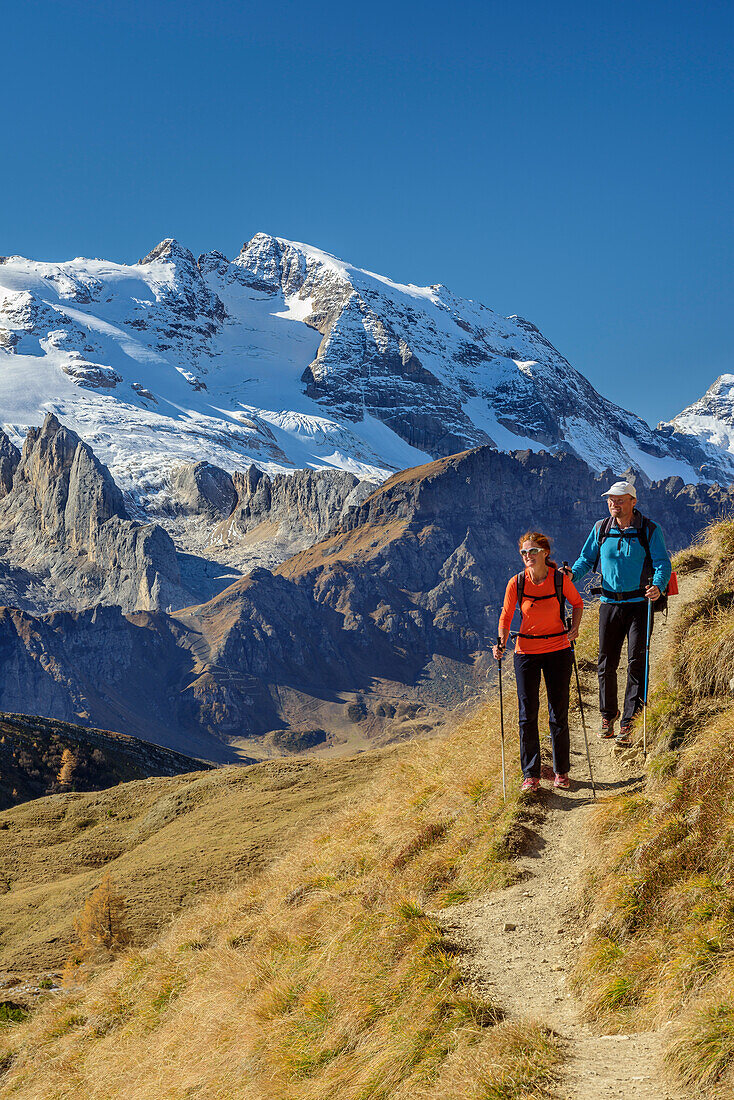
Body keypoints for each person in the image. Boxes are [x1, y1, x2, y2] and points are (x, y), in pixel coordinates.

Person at [568, 480, 671, 746]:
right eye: (611, 500)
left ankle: (630, 720)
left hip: (639, 604)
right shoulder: (601, 528)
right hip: (609, 603)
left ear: (633, 502)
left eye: (620, 499)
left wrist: (658, 587)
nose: (614, 504)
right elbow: (586, 559)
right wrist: (570, 576)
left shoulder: (649, 530)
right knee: (606, 663)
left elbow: (662, 563)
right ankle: (608, 715)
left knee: (637, 661)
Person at [493, 531, 583, 793]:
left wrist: (574, 629)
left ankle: (561, 772)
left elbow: (577, 604)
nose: (528, 556)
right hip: (526, 653)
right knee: (527, 715)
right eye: (523, 552)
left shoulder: (559, 580)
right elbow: (506, 616)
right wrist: (501, 643)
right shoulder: (517, 583)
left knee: (558, 713)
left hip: (558, 649)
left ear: (545, 553)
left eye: (533, 551)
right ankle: (530, 774)